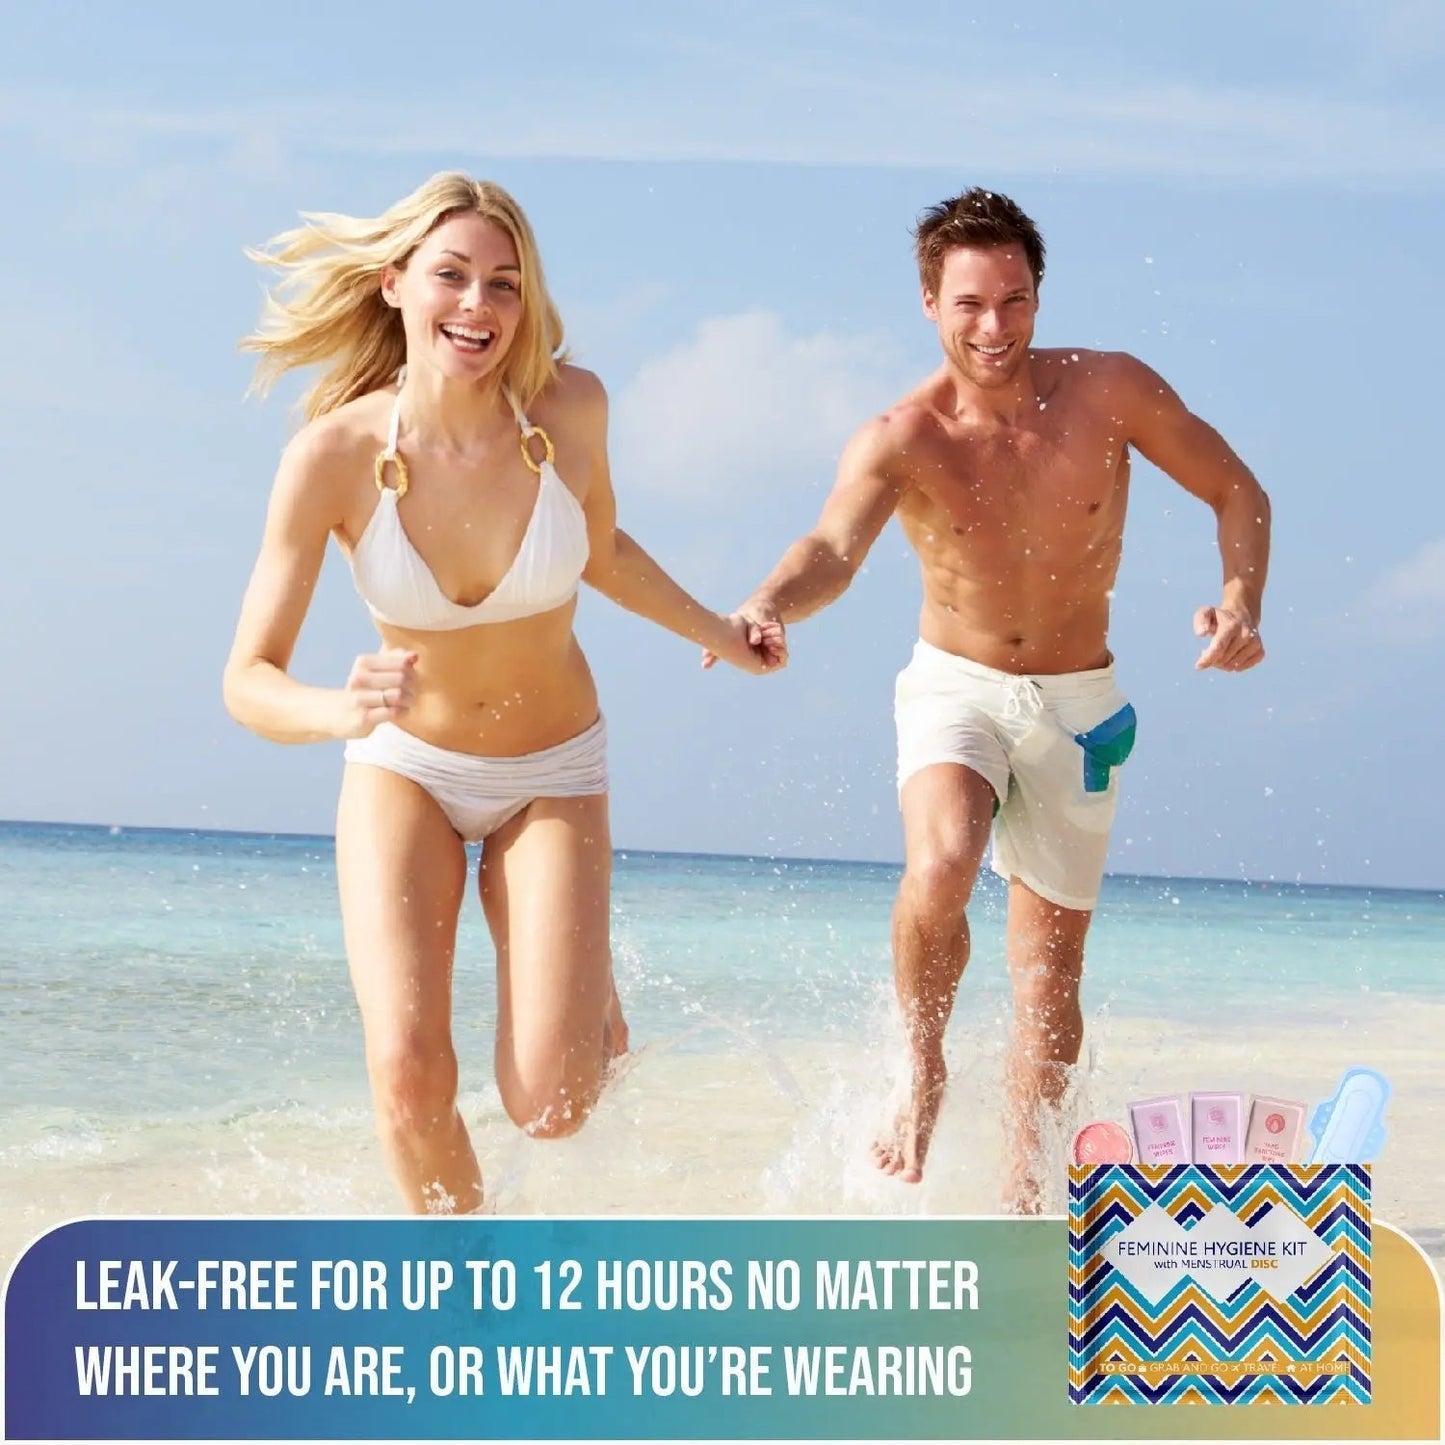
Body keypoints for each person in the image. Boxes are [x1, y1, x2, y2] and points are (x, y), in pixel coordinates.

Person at [224, 172, 786, 1215]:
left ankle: (586, 1012)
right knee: (406, 1071)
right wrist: (333, 710)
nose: (477, 306)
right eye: (451, 277)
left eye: (504, 284)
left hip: (551, 768)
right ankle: (463, 1287)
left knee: (553, 1104)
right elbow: (246, 678)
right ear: (394, 284)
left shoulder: (570, 410)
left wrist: (720, 631)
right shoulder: (333, 458)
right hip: (406, 768)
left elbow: (602, 546)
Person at [713, 188, 1270, 1210]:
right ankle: (919, 1062)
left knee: (1048, 983)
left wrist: (1239, 596)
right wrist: (768, 600)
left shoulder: (1109, 391)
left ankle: (1020, 1206)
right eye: (969, 303)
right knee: (942, 859)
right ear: (928, 302)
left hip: (1080, 701)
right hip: (955, 686)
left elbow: (1236, 487)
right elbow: (833, 547)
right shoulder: (900, 435)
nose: (994, 327)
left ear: (1036, 296)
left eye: (1013, 300)